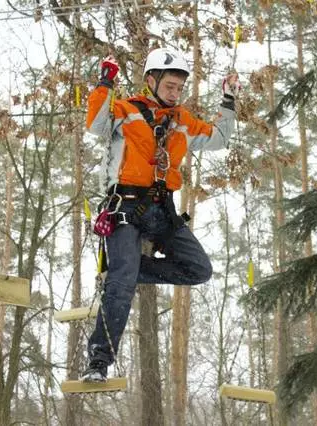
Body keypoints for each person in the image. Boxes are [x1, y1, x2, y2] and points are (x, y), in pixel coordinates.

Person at [81, 48, 240, 382]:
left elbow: (220, 139)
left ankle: (126, 272)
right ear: (150, 80)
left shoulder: (183, 122)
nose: (175, 92)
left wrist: (228, 101)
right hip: (124, 206)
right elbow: (95, 124)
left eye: (179, 88)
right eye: (169, 85)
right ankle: (98, 361)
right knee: (121, 286)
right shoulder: (125, 111)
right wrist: (105, 81)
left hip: (160, 210)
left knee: (198, 269)